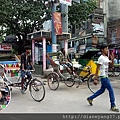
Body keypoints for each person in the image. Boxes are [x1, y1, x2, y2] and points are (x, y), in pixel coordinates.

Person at [87, 44, 119, 112]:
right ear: (102, 50)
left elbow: (111, 66)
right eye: (106, 49)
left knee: (102, 90)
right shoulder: (101, 58)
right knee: (111, 90)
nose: (107, 50)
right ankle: (113, 105)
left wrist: (112, 59)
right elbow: (97, 68)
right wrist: (96, 78)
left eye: (107, 49)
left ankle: (90, 98)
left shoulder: (106, 58)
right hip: (103, 77)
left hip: (106, 76)